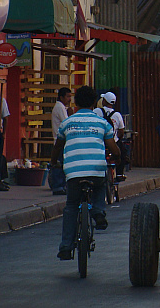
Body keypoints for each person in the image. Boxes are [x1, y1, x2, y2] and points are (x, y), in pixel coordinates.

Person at [52, 86, 120, 260]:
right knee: (99, 185)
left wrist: (53, 162)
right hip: (96, 170)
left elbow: (58, 146)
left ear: (75, 102)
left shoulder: (67, 123)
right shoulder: (102, 123)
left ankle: (66, 247)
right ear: (93, 103)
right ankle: (98, 211)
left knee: (71, 207)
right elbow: (113, 148)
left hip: (73, 173)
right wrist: (118, 157)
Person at [96, 92, 127, 181]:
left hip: (100, 142)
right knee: (122, 152)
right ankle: (120, 174)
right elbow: (121, 132)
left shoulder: (97, 111)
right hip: (113, 142)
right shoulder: (117, 115)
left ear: (104, 101)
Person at [49, 87, 71, 195]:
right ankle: (58, 186)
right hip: (60, 140)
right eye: (67, 96)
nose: (69, 99)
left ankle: (61, 185)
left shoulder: (62, 107)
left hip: (62, 140)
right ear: (61, 97)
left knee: (61, 164)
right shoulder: (60, 107)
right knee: (59, 164)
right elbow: (66, 123)